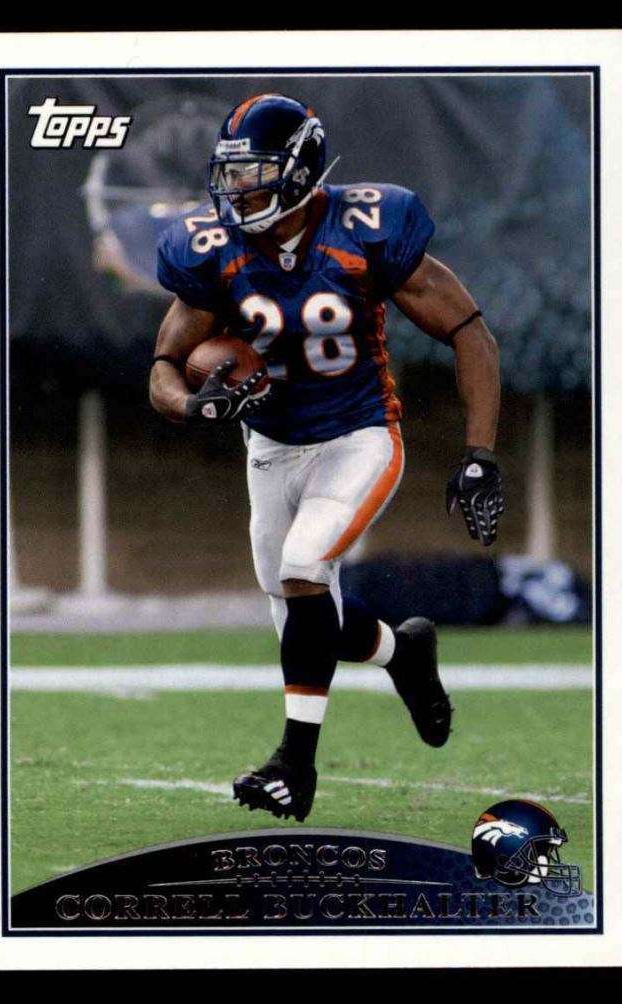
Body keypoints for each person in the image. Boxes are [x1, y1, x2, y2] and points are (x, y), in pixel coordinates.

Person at [149, 93, 503, 822]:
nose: (237, 191)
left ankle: (294, 764)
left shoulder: (366, 229)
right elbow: (164, 364)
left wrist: (479, 455)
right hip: (270, 445)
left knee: (304, 569)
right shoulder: (214, 249)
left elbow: (469, 330)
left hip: (358, 435)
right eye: (231, 174)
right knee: (304, 614)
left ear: (301, 170)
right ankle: (403, 654)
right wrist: (193, 406)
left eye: (254, 175)